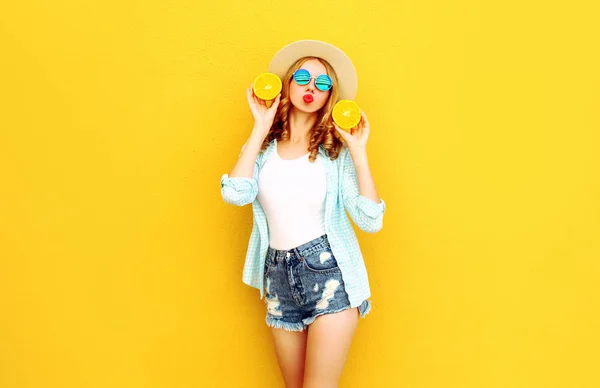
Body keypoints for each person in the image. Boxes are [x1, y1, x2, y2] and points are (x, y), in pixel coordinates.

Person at [220, 40, 386, 388]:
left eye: (322, 84)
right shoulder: (262, 150)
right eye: (303, 77)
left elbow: (371, 220)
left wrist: (359, 152)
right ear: (287, 82)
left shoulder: (335, 152)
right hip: (278, 279)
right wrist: (260, 126)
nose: (311, 87)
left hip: (329, 275)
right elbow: (235, 194)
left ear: (329, 97)